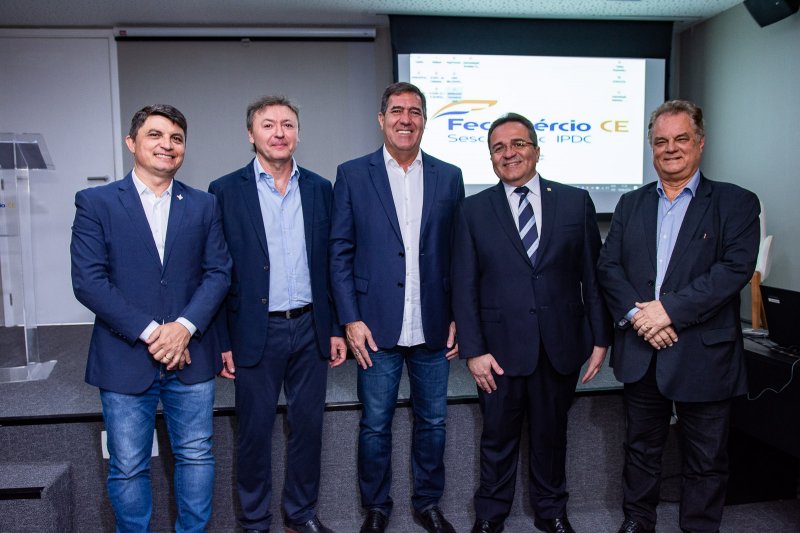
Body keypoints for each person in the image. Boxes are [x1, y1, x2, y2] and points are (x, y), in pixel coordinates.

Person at [597, 100, 760, 533]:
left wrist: (666, 311)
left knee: (706, 458)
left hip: (704, 354)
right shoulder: (630, 204)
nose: (670, 148)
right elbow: (608, 267)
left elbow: (733, 271)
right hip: (642, 350)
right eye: (661, 141)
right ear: (651, 147)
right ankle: (637, 521)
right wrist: (639, 317)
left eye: (681, 139)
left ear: (700, 143)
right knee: (640, 449)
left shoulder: (736, 202)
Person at [70, 104, 232, 533]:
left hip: (191, 353)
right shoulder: (96, 203)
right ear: (132, 143)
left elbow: (219, 273)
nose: (167, 145)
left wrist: (183, 328)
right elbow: (89, 282)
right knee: (127, 465)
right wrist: (152, 333)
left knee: (196, 455)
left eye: (176, 138)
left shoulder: (203, 204)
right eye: (155, 135)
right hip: (124, 354)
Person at [451, 112, 612, 533]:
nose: (509, 153)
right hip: (498, 351)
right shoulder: (472, 210)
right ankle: (490, 516)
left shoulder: (575, 202)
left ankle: (552, 513)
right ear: (491, 158)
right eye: (498, 148)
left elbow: (592, 276)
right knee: (497, 438)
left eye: (518, 144)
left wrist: (600, 338)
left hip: (559, 344)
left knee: (551, 435)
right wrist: (474, 350)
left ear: (537, 150)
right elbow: (463, 285)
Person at [329, 82, 464, 533]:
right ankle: (376, 507)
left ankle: (428, 503)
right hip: (374, 324)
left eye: (415, 111)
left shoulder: (449, 176)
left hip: (432, 322)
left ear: (424, 120)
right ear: (381, 118)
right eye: (397, 111)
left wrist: (459, 316)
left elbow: (459, 254)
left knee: (434, 422)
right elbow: (339, 252)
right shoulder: (352, 174)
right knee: (375, 424)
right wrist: (350, 318)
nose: (406, 119)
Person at [208, 95, 347, 533]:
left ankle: (301, 514)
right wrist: (222, 341)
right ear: (251, 135)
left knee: (308, 428)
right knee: (254, 431)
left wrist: (336, 327)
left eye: (287, 124)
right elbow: (217, 270)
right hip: (255, 330)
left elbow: (331, 264)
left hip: (310, 327)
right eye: (268, 125)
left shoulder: (321, 188)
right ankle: (254, 520)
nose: (279, 133)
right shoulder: (225, 191)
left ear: (298, 134)